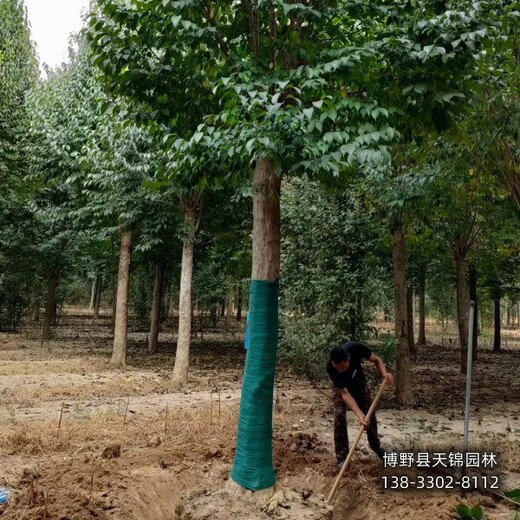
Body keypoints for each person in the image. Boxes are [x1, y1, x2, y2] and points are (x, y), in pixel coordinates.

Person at [326, 341, 394, 469]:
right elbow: (345, 394)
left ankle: (376, 447)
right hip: (342, 390)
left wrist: (384, 374)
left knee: (370, 415)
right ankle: (342, 458)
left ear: (348, 359)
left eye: (343, 367)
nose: (340, 370)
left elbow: (377, 360)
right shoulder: (331, 368)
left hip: (359, 384)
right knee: (339, 416)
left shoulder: (356, 348)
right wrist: (359, 415)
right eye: (338, 368)